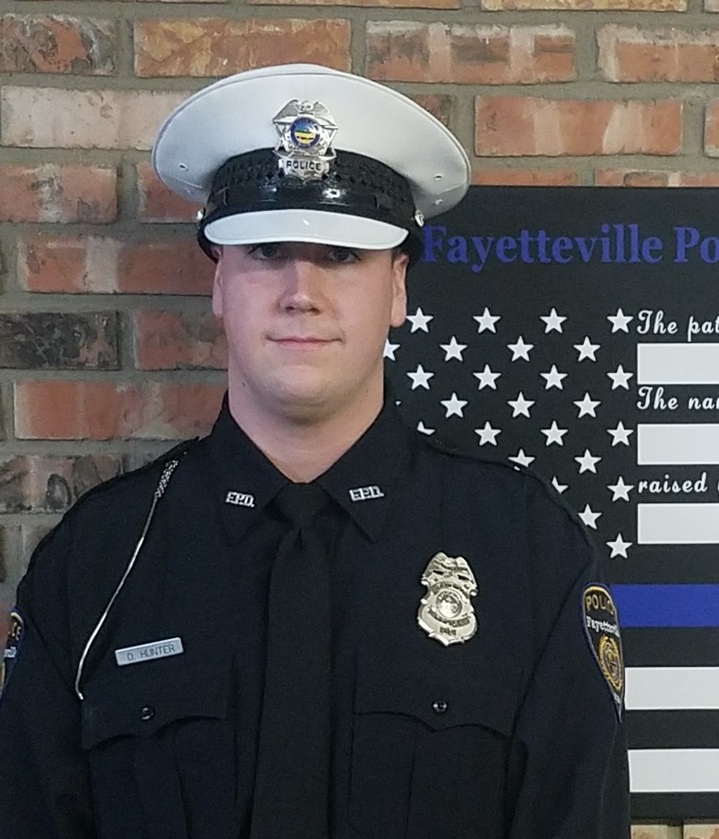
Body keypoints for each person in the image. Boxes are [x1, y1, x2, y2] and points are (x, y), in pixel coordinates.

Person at [0, 63, 630, 838]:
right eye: (265, 250)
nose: (302, 288)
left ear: (398, 287)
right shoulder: (95, 565)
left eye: (341, 254)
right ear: (218, 284)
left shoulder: (529, 555)